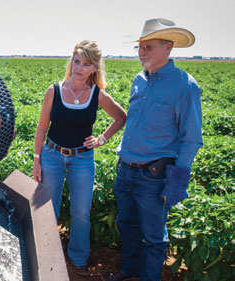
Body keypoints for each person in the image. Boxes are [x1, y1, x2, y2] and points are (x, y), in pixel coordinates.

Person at [102, 19, 203, 281]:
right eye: (140, 47)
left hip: (153, 176)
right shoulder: (139, 80)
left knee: (155, 237)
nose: (142, 52)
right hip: (125, 169)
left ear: (168, 47)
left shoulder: (185, 86)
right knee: (127, 224)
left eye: (148, 46)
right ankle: (128, 271)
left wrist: (178, 179)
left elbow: (191, 138)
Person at [32, 40, 126, 276]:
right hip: (52, 156)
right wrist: (37, 159)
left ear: (94, 69)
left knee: (81, 213)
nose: (79, 68)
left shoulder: (97, 95)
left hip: (82, 160)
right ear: (71, 62)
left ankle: (77, 258)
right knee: (47, 210)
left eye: (86, 64)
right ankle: (45, 257)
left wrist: (101, 139)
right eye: (76, 61)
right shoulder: (54, 91)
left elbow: (121, 117)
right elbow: (42, 128)